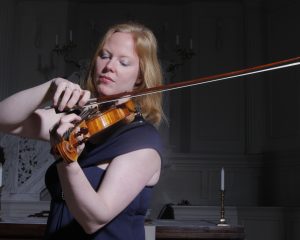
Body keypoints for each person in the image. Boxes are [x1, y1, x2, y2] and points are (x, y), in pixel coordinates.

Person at [0, 22, 164, 239]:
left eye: (124, 62)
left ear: (140, 78)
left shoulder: (142, 141)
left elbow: (94, 219)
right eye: (104, 55)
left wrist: (65, 157)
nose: (109, 66)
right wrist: (50, 87)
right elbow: (4, 119)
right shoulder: (81, 118)